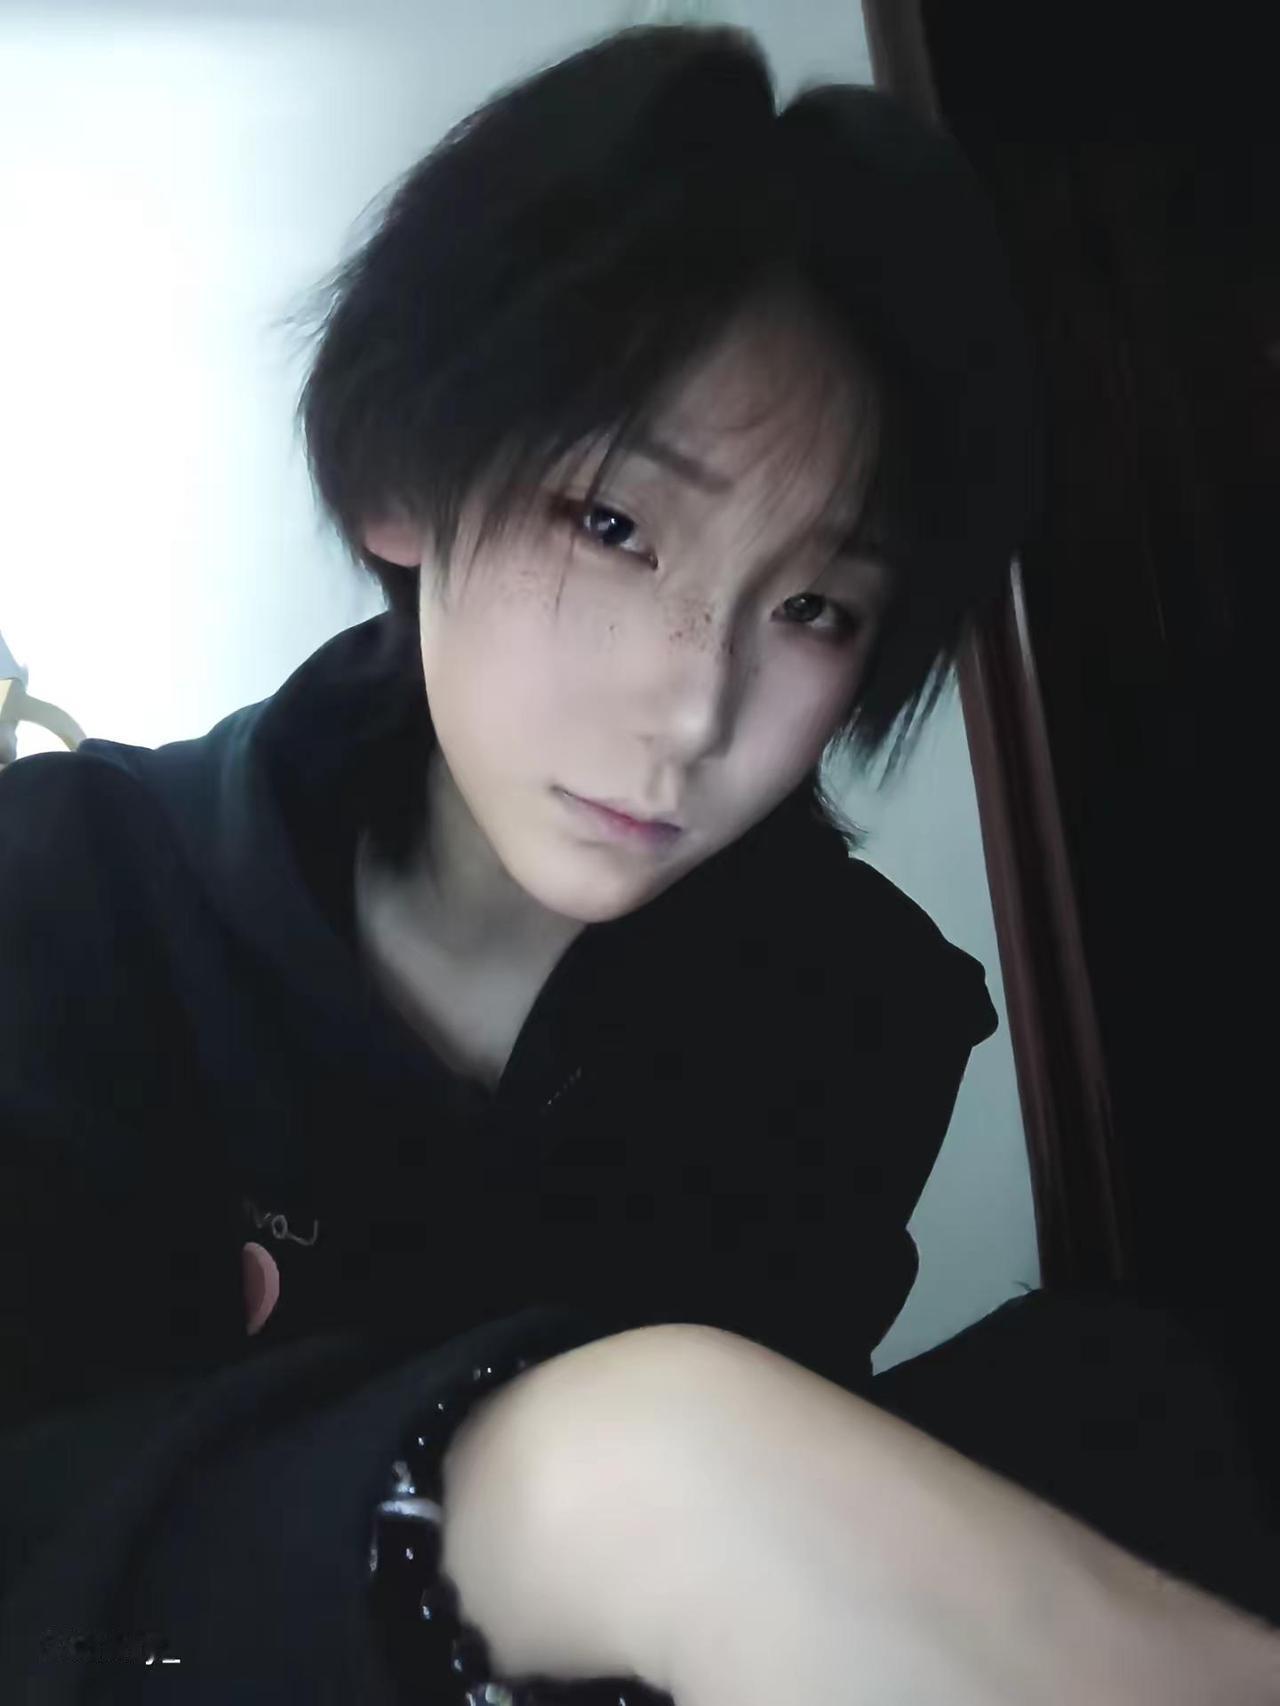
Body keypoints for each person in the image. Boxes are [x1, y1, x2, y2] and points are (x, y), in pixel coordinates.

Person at [1, 23, 1275, 1704]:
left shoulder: (858, 1013)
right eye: (614, 525)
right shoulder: (66, 900)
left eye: (813, 605)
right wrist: (594, 1487)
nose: (695, 705)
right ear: (403, 476)